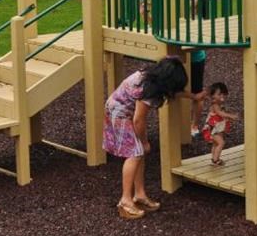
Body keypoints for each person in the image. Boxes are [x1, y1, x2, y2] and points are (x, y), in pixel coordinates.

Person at [103, 57, 196, 220]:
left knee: (139, 153)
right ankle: (125, 201)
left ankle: (139, 195)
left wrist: (194, 96)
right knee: (135, 153)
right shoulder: (148, 90)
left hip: (118, 108)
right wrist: (144, 142)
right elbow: (138, 120)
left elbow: (175, 88)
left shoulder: (150, 75)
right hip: (118, 114)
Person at [202, 82, 240, 166]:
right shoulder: (215, 105)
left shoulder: (219, 104)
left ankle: (214, 158)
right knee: (221, 143)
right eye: (219, 94)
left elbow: (221, 116)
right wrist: (231, 115)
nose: (222, 96)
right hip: (213, 128)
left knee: (216, 143)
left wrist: (228, 118)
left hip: (216, 128)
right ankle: (216, 160)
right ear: (213, 96)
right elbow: (220, 113)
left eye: (224, 94)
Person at [188, 48, 208, 138]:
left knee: (197, 93)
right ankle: (181, 124)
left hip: (195, 59)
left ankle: (194, 125)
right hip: (175, 58)